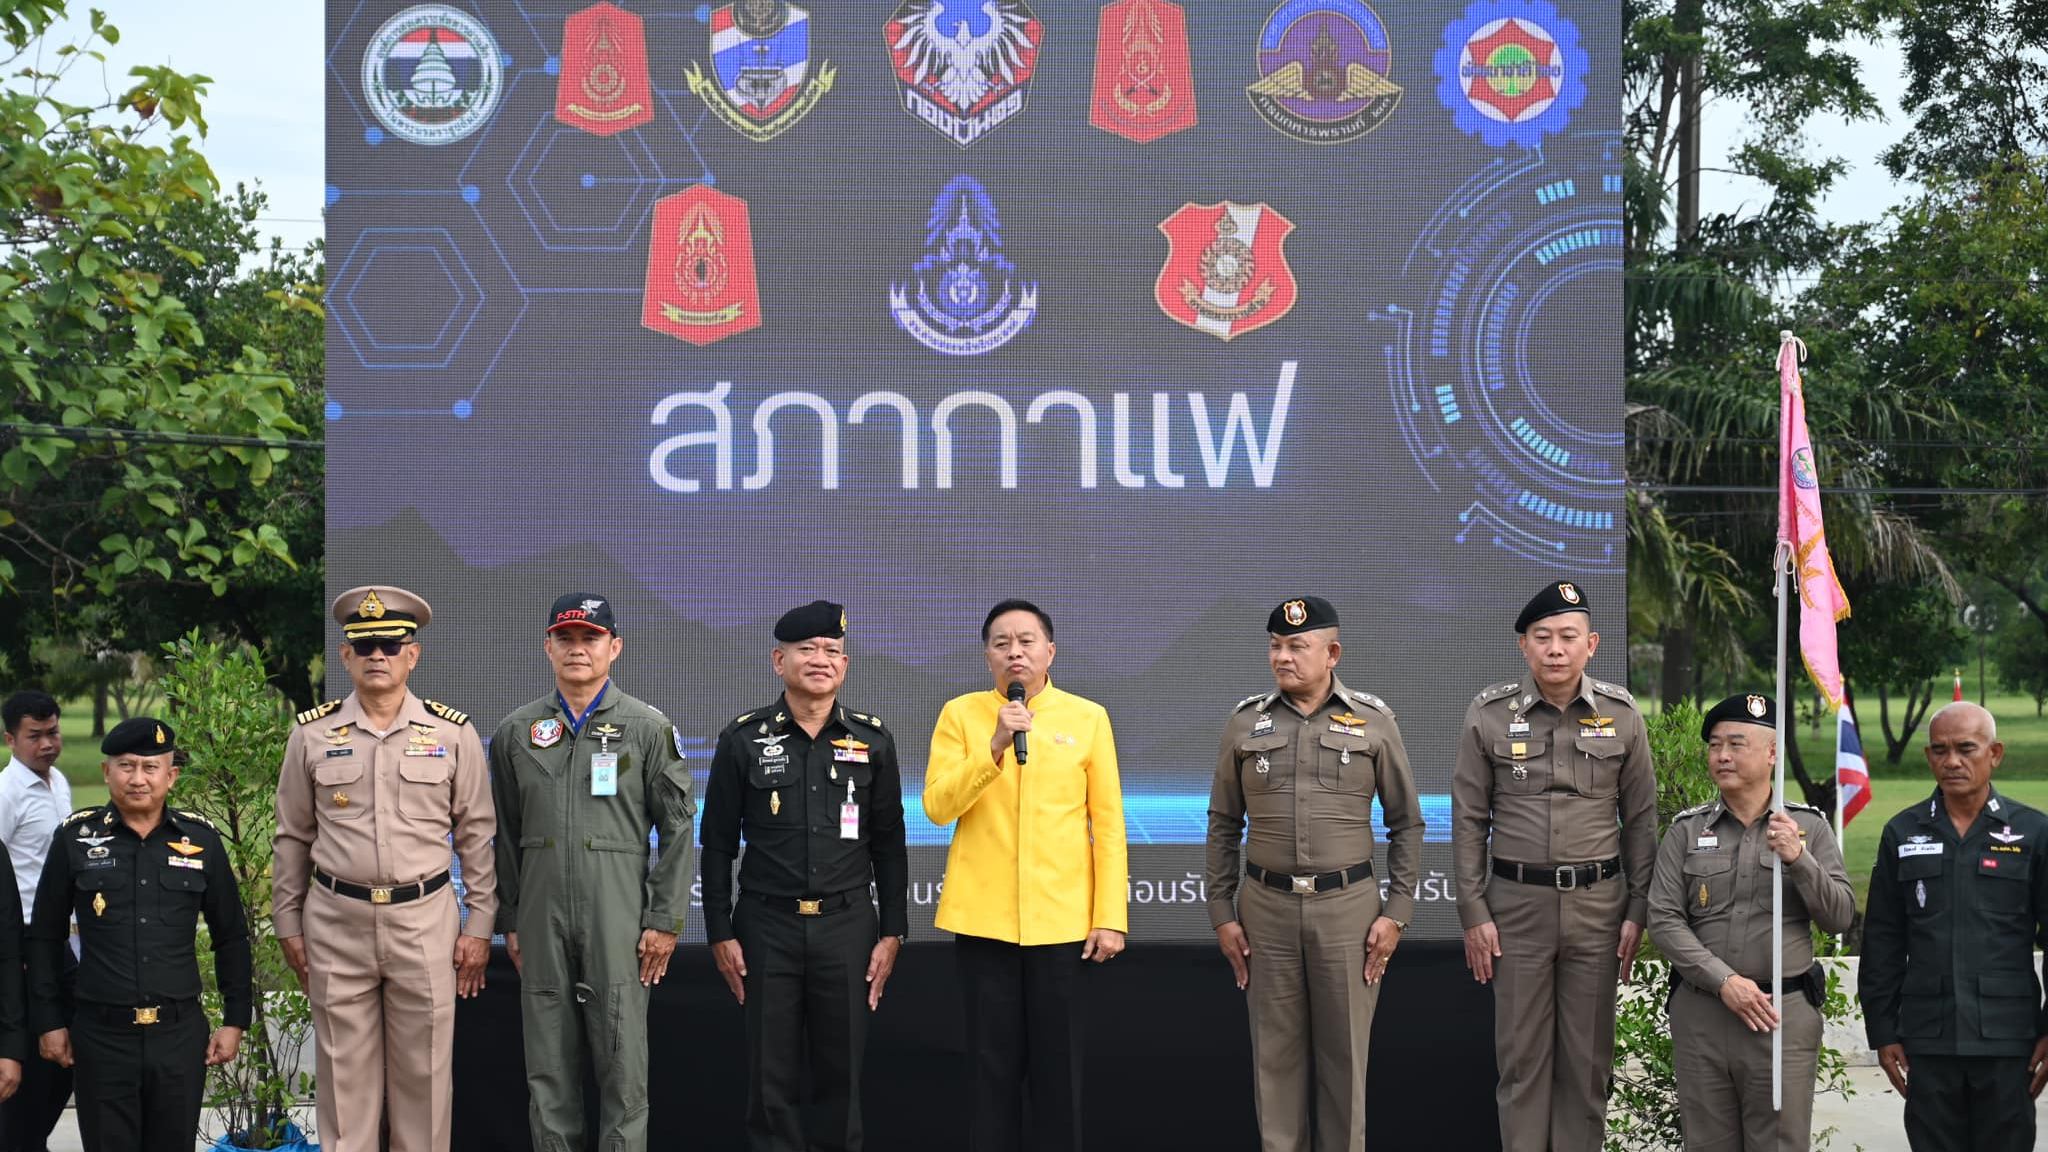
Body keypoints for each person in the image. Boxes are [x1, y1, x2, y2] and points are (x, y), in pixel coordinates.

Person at [271, 586, 497, 1152]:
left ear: (412, 655)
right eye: (365, 644)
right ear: (345, 656)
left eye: (391, 645)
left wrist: (479, 925)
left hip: (424, 922)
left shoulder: (452, 734)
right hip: (335, 922)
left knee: (423, 1080)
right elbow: (293, 836)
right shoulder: (311, 734)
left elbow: (477, 837)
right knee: (344, 1087)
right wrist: (287, 922)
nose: (378, 655)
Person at [1205, 596, 1425, 1152]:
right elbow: (1223, 823)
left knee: (1344, 1063)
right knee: (1273, 1064)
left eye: (1297, 647)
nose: (1283, 657)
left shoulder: (1373, 721)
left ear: (1332, 653)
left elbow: (1407, 823)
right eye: (1276, 646)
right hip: (1265, 910)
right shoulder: (1245, 721)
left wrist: (1396, 913)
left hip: (1348, 910)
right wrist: (1221, 913)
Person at [1451, 580, 1658, 1152]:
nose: (1555, 649)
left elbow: (1641, 821)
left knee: (1588, 1065)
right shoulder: (1489, 714)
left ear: (1591, 644)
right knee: (1521, 1065)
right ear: (1524, 646)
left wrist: (1637, 910)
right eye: (1542, 637)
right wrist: (1473, 911)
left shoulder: (1620, 713)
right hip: (1516, 909)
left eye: (1568, 637)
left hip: (1599, 908)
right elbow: (1469, 820)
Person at [700, 600, 909, 1152]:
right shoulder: (743, 739)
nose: (820, 660)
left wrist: (893, 931)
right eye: (807, 649)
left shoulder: (872, 740)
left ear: (844, 666)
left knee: (843, 1079)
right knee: (771, 1082)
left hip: (847, 927)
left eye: (832, 652)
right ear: (779, 660)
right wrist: (719, 930)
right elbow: (717, 841)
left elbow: (889, 844)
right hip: (766, 927)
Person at [490, 593, 696, 1152]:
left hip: (619, 918)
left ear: (615, 647)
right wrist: (510, 916)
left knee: (623, 1067)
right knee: (548, 1071)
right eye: (566, 638)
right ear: (548, 647)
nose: (578, 649)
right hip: (540, 915)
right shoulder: (517, 731)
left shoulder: (647, 727)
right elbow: (504, 832)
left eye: (591, 638)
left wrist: (664, 919)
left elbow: (679, 829)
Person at [924, 598, 1127, 1152]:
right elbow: (938, 807)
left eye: (1027, 641)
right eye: (1001, 643)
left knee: (1059, 1078)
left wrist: (1109, 917)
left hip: (1062, 928)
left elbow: (1107, 826)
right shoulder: (960, 714)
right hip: (983, 925)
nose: (1015, 651)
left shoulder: (1088, 717)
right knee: (990, 1078)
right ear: (987, 655)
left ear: (1050, 651)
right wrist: (992, 747)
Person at [26, 718, 248, 1152]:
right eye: (126, 766)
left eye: (151, 767)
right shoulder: (76, 839)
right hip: (101, 1036)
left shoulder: (200, 841)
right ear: (107, 771)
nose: (139, 778)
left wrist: (236, 1019)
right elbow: (45, 938)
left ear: (171, 775)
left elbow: (232, 936)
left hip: (178, 1036)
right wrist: (49, 1021)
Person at [1649, 692, 1854, 1151]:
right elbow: (1663, 919)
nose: (1722, 756)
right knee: (1706, 1143)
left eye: (1736, 744)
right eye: (1715, 745)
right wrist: (1724, 981)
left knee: (1778, 1143)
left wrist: (1799, 859)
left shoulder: (1808, 829)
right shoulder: (1687, 830)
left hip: (1780, 1016)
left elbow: (1839, 915)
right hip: (1704, 1012)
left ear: (1772, 752)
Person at [1860, 701, 2048, 1152]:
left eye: (1966, 749)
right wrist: (1883, 1031)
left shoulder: (2033, 833)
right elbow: (1883, 940)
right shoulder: (1902, 833)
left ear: (1995, 753)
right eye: (1940, 750)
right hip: (1928, 1038)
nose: (1952, 761)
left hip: (2008, 1039)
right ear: (1928, 757)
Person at [0, 692, 68, 1151]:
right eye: (35, 736)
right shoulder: (5, 794)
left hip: (61, 941)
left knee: (66, 1056)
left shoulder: (58, 782)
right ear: (10, 739)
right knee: (26, 1062)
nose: (47, 744)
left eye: (53, 733)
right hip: (20, 942)